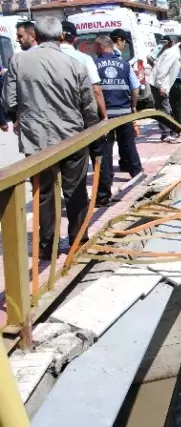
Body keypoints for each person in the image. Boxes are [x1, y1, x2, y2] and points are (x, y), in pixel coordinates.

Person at [2, 16, 99, 258]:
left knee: (44, 193)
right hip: (72, 137)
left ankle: (48, 246)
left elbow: (9, 101)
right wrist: (92, 132)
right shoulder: (75, 63)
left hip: (37, 139)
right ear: (61, 36)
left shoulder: (19, 61)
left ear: (36, 35)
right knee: (75, 190)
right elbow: (88, 106)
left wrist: (23, 114)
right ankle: (78, 238)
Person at [94, 35, 142, 205]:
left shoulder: (94, 64)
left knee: (105, 153)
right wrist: (133, 106)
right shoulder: (124, 64)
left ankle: (103, 194)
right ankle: (138, 175)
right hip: (123, 111)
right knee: (128, 144)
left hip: (104, 116)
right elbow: (135, 88)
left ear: (100, 48)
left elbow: (94, 90)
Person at [59, 21, 107, 120]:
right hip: (77, 116)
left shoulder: (44, 57)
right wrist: (104, 116)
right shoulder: (85, 59)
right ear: (75, 39)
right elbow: (96, 89)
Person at [149, 37, 181, 140]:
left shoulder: (174, 52)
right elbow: (161, 69)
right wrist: (161, 86)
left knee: (166, 107)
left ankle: (169, 131)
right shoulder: (167, 51)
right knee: (163, 108)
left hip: (163, 83)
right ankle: (166, 133)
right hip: (159, 83)